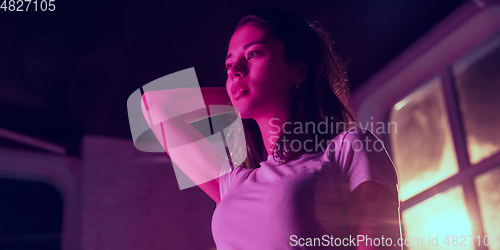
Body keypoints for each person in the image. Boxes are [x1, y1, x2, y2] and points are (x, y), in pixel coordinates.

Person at [142, 7, 401, 250]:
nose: (236, 72)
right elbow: (155, 104)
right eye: (229, 66)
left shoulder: (348, 149)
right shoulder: (233, 183)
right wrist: (240, 92)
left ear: (298, 69)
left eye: (253, 54)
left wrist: (249, 89)